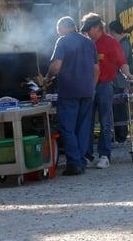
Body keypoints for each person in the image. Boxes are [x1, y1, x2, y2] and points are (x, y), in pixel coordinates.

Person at [45, 17, 99, 175]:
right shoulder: (89, 42)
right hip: (87, 91)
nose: (58, 33)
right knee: (83, 128)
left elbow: (55, 67)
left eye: (58, 30)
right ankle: (81, 161)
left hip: (69, 91)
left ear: (62, 28)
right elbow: (96, 70)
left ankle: (74, 163)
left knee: (67, 128)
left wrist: (47, 77)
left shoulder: (63, 41)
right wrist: (92, 87)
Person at [81, 13, 133, 169]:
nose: (86, 33)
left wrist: (128, 75)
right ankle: (87, 155)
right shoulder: (86, 42)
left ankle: (105, 155)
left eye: (88, 29)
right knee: (87, 122)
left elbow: (122, 62)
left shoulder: (111, 42)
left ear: (98, 28)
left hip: (105, 85)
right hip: (88, 86)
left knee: (105, 121)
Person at [108, 20, 132, 144]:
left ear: (113, 31)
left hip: (120, 82)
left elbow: (120, 62)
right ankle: (119, 135)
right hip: (118, 81)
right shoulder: (123, 42)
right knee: (117, 110)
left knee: (120, 110)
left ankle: (121, 136)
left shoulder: (123, 44)